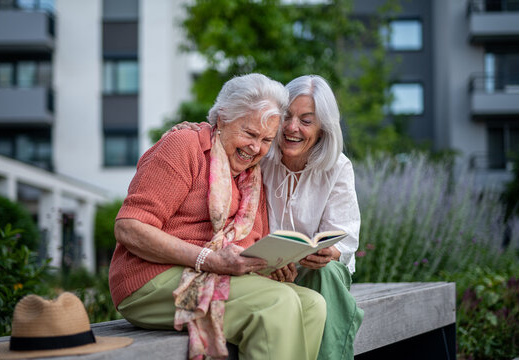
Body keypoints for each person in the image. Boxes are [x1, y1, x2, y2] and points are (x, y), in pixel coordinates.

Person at [108, 73, 327, 360]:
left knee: (312, 304)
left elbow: (247, 247)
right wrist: (208, 259)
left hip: (212, 276)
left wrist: (272, 266)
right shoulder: (185, 147)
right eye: (249, 134)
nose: (256, 148)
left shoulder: (252, 178)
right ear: (222, 118)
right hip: (150, 281)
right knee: (277, 302)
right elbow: (129, 228)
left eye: (266, 140)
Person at [171, 74, 364, 360]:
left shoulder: (337, 168)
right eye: (287, 116)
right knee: (284, 299)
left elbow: (345, 236)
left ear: (323, 129)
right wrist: (196, 128)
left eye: (306, 121)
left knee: (326, 274)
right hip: (262, 267)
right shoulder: (259, 152)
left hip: (316, 271)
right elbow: (227, 129)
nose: (292, 127)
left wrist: (332, 251)